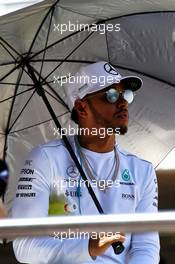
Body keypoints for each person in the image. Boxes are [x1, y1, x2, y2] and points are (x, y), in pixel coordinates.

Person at [12, 61, 160, 263]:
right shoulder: (45, 159)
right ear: (82, 108)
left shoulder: (143, 171)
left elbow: (146, 248)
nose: (123, 102)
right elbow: (24, 246)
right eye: (111, 95)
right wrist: (88, 247)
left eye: (125, 94)